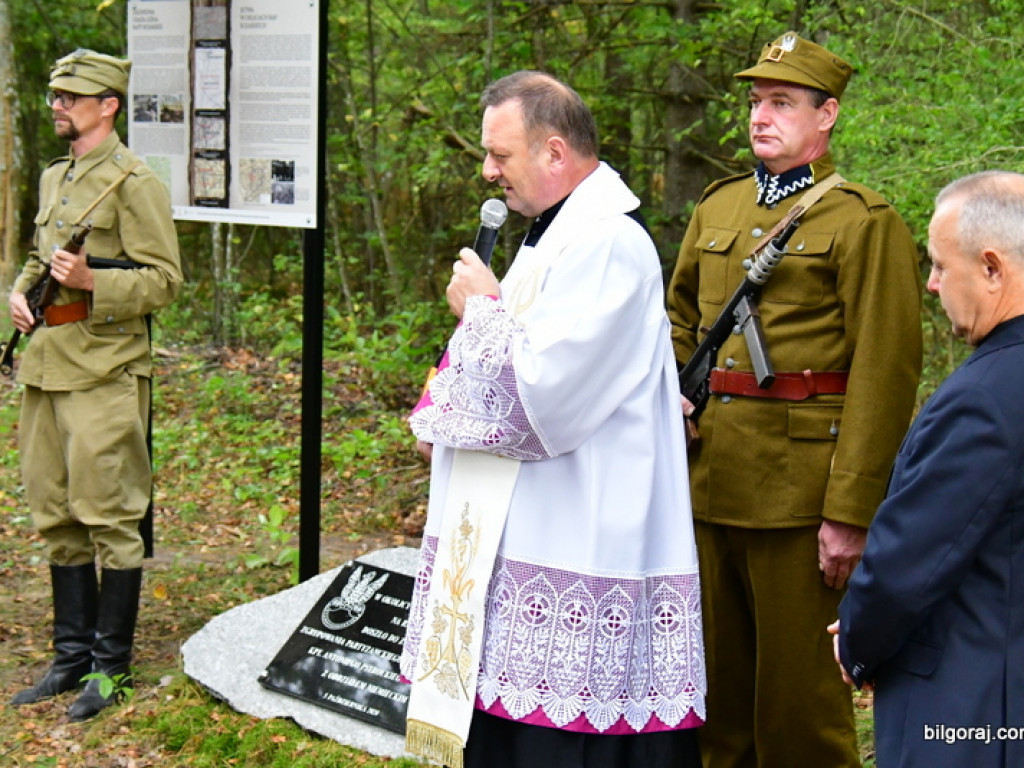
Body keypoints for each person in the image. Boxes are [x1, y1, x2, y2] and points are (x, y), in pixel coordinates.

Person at [400, 70, 706, 768]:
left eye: (499, 155)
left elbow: (545, 399)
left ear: (555, 152)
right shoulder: (555, 237)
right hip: (529, 533)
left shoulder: (608, 244)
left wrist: (482, 310)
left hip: (581, 533)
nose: (488, 170)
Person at [666, 31, 922, 767]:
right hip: (707, 479)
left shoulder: (863, 221)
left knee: (799, 712)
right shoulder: (718, 206)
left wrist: (850, 510)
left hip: (799, 496)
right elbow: (678, 320)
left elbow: (885, 371)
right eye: (756, 102)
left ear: (826, 115)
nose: (760, 116)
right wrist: (670, 399)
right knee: (715, 703)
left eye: (781, 103)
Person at [7, 49, 182, 721]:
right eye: (54, 95)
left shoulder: (135, 182)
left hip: (104, 369)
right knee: (55, 512)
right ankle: (70, 658)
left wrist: (93, 283)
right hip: (48, 366)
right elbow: (40, 256)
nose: (57, 105)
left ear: (108, 105)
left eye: (70, 97)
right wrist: (20, 292)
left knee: (110, 515)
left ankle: (111, 670)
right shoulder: (58, 176)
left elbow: (164, 280)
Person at [831, 171, 1024, 768]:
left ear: (991, 268)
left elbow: (910, 561)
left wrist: (857, 641)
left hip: (972, 711)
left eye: (940, 266)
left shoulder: (986, 398)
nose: (933, 284)